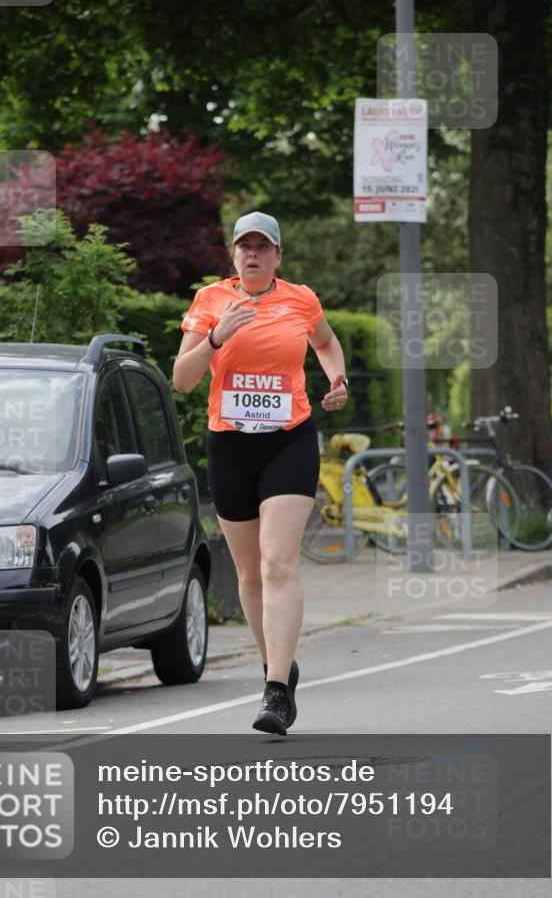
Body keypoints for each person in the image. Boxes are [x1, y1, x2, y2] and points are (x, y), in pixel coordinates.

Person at [173, 212, 349, 735]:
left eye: (262, 246)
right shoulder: (210, 302)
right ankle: (278, 664)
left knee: (277, 563)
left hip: (289, 440)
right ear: (232, 255)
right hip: (230, 444)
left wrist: (336, 378)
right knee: (249, 573)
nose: (252, 254)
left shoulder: (301, 299)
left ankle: (275, 693)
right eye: (243, 246)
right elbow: (182, 380)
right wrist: (216, 340)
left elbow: (325, 342)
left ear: (277, 256)